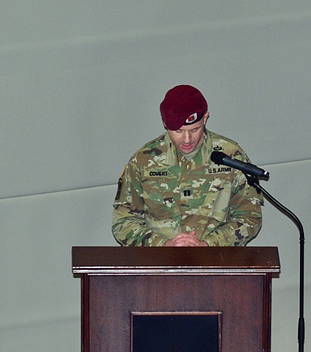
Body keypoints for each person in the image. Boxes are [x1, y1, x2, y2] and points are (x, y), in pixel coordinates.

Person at [112, 84, 263, 247]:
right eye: (178, 131)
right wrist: (163, 245)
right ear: (165, 124)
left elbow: (249, 217)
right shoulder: (143, 161)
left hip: (216, 260)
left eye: (194, 129)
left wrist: (208, 244)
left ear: (205, 118)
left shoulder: (231, 156)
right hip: (159, 263)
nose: (187, 139)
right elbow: (123, 222)